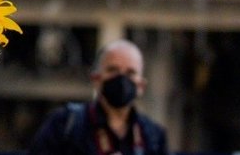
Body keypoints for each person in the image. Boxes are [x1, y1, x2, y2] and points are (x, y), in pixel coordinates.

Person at [28, 39, 168, 155]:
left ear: (141, 86)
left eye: (130, 73)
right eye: (113, 70)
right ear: (96, 79)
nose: (121, 78)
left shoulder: (153, 136)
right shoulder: (65, 124)